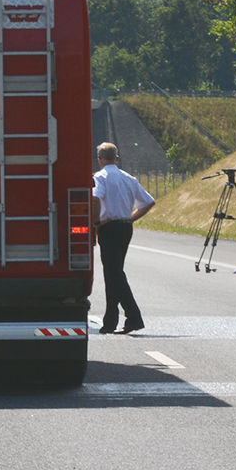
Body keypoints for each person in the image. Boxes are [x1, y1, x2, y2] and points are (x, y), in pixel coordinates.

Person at [91, 142, 154, 334]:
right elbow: (148, 202)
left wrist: (95, 223)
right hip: (125, 227)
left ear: (99, 159)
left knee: (114, 273)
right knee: (114, 272)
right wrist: (130, 218)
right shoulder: (129, 178)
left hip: (109, 227)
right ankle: (110, 321)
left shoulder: (99, 177)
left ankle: (133, 316)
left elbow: (95, 198)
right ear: (117, 158)